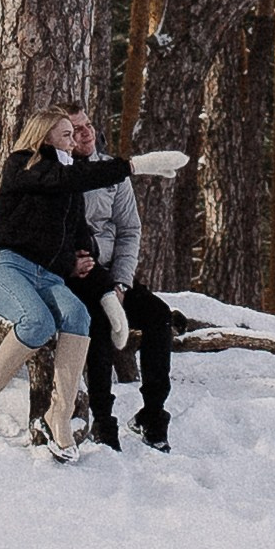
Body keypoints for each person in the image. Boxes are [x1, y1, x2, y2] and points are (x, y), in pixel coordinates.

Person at [0, 108, 130, 462]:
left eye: (74, 134)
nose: (75, 141)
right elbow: (60, 179)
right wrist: (128, 167)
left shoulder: (69, 189)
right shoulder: (23, 165)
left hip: (50, 277)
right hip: (11, 269)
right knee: (37, 322)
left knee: (77, 316)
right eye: (66, 135)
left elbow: (83, 240)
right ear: (45, 138)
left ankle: (59, 414)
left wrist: (101, 285)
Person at [74, 142, 173, 453]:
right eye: (75, 130)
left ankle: (153, 414)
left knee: (159, 315)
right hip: (78, 276)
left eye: (87, 124)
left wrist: (121, 283)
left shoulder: (111, 171)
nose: (85, 133)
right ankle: (103, 420)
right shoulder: (57, 173)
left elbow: (130, 230)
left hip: (114, 274)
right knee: (100, 323)